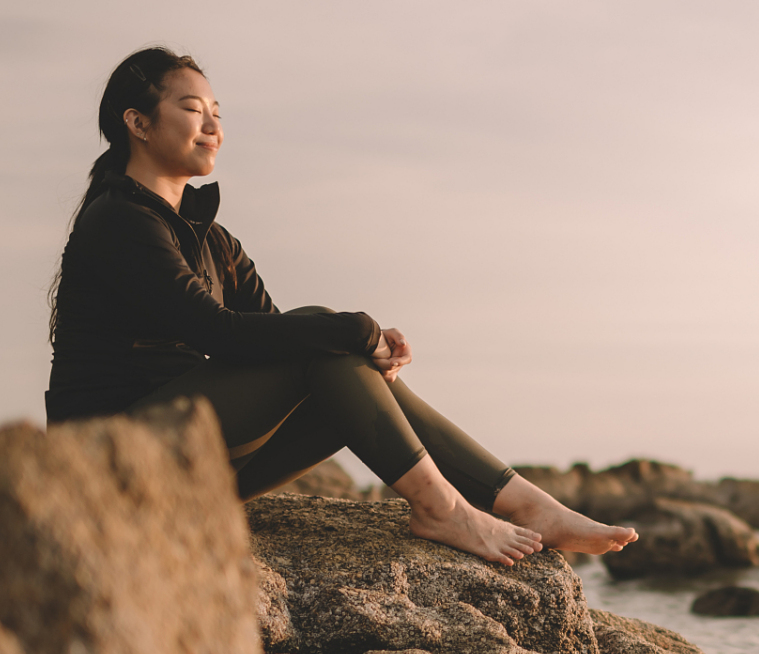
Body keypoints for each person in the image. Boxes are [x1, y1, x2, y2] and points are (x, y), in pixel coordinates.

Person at [46, 47, 636, 566]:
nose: (213, 127)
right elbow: (222, 335)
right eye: (194, 109)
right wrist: (358, 329)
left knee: (325, 354)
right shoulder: (120, 220)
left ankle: (527, 504)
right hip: (110, 461)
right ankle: (442, 508)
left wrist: (356, 346)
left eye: (218, 114)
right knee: (322, 336)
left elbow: (277, 342)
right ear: (137, 123)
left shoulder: (214, 240)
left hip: (194, 468)